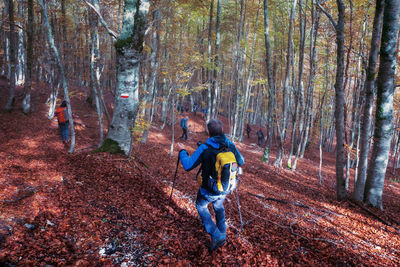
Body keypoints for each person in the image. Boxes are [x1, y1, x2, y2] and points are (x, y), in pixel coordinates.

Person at [179, 119, 244, 252]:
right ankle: (222, 234)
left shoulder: (205, 148)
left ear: (208, 132)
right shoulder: (230, 145)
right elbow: (241, 161)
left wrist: (182, 153)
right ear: (222, 131)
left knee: (201, 206)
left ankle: (216, 235)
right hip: (225, 187)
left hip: (209, 189)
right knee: (218, 206)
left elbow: (187, 165)